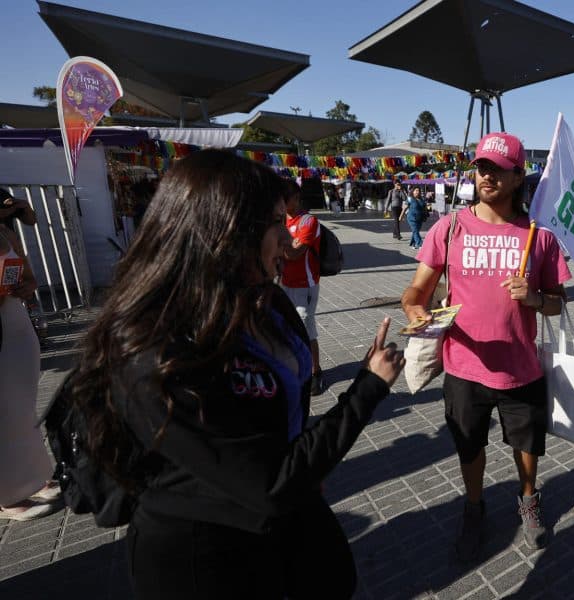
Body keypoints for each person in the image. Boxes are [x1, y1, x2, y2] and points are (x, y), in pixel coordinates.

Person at [59, 150, 403, 598]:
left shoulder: (265, 300)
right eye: (277, 223)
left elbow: (280, 433)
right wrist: (368, 389)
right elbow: (270, 483)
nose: (289, 238)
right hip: (204, 554)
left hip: (283, 518)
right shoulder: (155, 351)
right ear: (227, 232)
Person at [401, 131, 570, 561]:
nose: (486, 175)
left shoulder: (539, 236)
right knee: (469, 446)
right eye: (481, 167)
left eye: (497, 169)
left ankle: (528, 499)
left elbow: (558, 304)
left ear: (518, 178)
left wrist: (534, 297)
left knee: (527, 446)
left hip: (520, 368)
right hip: (463, 368)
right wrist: (416, 312)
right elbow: (415, 292)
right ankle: (473, 507)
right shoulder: (450, 226)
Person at [0, 220, 61, 521]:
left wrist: (25, 285)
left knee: (22, 409)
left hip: (16, 327)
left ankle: (35, 478)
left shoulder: (5, 232)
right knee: (6, 409)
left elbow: (31, 278)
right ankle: (7, 497)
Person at [280, 180, 324, 396]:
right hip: (284, 282)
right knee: (287, 327)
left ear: (294, 199)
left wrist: (279, 246)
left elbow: (294, 254)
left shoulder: (308, 221)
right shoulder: (279, 221)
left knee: (307, 329)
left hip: (305, 284)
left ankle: (316, 372)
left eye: (283, 199)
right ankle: (297, 366)